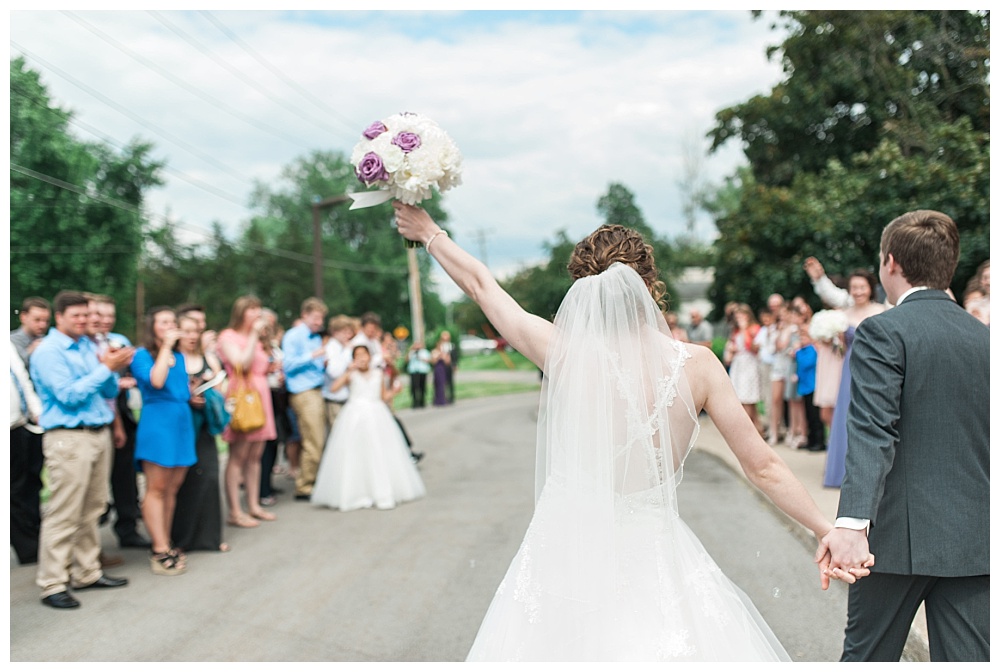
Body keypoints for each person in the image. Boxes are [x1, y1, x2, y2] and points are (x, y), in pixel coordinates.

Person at [393, 204, 868, 661]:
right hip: (655, 553)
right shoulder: (698, 365)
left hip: (567, 556)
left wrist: (430, 232)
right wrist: (828, 529)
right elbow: (762, 465)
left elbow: (481, 286)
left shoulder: (562, 351)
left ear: (585, 290)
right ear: (650, 284)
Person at [819, 210, 989, 662]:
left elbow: (874, 429)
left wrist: (852, 524)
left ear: (890, 263)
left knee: (867, 660)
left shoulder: (882, 330)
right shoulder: (986, 339)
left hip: (893, 540)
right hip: (975, 538)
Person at [30, 291, 135, 609]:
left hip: (98, 433)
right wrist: (106, 369)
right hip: (68, 437)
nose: (84, 321)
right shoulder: (48, 351)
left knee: (93, 507)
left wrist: (111, 365)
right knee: (64, 512)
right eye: (76, 316)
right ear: (59, 317)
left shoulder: (89, 346)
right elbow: (68, 395)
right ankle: (53, 583)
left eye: (86, 316)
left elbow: (107, 389)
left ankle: (87, 572)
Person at [311, 345, 426, 511]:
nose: (362, 358)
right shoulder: (351, 375)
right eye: (357, 356)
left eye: (364, 355)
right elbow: (333, 388)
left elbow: (383, 396)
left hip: (377, 414)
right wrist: (348, 372)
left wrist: (394, 391)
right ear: (353, 359)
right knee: (355, 452)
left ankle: (382, 490)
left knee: (379, 451)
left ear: (370, 357)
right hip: (354, 415)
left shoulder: (378, 374)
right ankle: (355, 492)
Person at [804, 260, 886, 488]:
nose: (858, 291)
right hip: (849, 367)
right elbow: (839, 346)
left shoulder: (882, 312)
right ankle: (841, 472)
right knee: (844, 417)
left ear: (871, 288)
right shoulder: (842, 314)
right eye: (854, 287)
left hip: (874, 368)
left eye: (862, 287)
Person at [131, 307, 198, 575]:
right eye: (164, 322)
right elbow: (156, 381)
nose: (171, 326)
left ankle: (166, 540)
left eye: (173, 322)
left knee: (172, 488)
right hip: (158, 424)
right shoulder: (141, 355)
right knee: (156, 488)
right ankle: (158, 549)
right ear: (152, 327)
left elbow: (178, 388)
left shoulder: (180, 357)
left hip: (181, 422)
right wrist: (166, 347)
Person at [91, 294, 150, 550]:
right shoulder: (84, 345)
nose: (105, 321)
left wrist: (127, 381)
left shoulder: (120, 341)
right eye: (100, 315)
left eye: (110, 316)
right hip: (99, 414)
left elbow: (134, 374)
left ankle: (128, 528)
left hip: (121, 412)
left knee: (125, 475)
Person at [171, 313, 229, 553]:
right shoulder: (173, 360)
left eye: (195, 331)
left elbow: (222, 388)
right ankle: (181, 539)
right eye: (187, 331)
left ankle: (210, 537)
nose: (192, 336)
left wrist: (209, 392)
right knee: (183, 481)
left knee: (209, 477)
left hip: (204, 425)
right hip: (181, 425)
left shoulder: (208, 358)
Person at [217, 295, 278, 527]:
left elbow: (259, 365)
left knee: (255, 457)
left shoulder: (261, 339)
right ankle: (235, 510)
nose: (257, 314)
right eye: (252, 309)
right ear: (241, 312)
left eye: (258, 309)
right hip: (243, 397)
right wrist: (253, 336)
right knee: (238, 457)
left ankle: (253, 505)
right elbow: (241, 363)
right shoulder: (228, 336)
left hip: (261, 396)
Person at [282, 297, 329, 501]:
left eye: (321, 318)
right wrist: (313, 355)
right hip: (304, 392)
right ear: (305, 315)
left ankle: (312, 479)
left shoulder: (315, 337)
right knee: (313, 440)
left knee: (317, 438)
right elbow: (288, 365)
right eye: (316, 317)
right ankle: (305, 485)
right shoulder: (293, 336)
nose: (319, 322)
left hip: (318, 389)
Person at [10, 346, 44, 565]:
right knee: (12, 490)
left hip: (22, 424)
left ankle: (34, 537)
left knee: (30, 483)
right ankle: (26, 546)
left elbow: (22, 379)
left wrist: (36, 411)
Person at [381, 331, 422, 463]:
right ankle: (406, 454)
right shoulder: (379, 357)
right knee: (394, 426)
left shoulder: (389, 360)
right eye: (388, 341)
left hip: (387, 398)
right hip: (382, 399)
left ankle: (407, 453)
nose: (390, 344)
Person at [723, 304, 762, 434]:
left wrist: (745, 329)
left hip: (749, 364)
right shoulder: (735, 331)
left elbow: (752, 348)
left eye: (742, 315)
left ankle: (748, 430)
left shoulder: (754, 329)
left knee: (748, 397)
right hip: (738, 365)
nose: (739, 318)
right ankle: (757, 428)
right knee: (740, 396)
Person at [793, 324, 825, 452]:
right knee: (808, 415)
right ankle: (811, 439)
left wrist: (797, 352)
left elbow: (807, 363)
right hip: (804, 386)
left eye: (805, 336)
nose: (802, 339)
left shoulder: (811, 350)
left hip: (812, 386)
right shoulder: (802, 350)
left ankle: (819, 441)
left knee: (815, 415)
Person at [322, 314, 355, 440]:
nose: (348, 336)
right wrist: (347, 354)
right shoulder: (332, 347)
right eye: (345, 332)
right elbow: (334, 372)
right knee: (338, 435)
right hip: (334, 399)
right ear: (335, 332)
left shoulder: (341, 347)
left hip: (344, 397)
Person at [11, 296, 52, 365]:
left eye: (46, 321)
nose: (43, 325)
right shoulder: (10, 342)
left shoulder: (48, 341)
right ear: (23, 317)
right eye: (37, 320)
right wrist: (30, 351)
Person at [405, 339, 432, 409]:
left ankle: (422, 401)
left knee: (422, 387)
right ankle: (415, 402)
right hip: (414, 371)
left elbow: (428, 360)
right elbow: (407, 360)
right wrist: (410, 351)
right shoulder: (412, 352)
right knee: (414, 387)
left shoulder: (424, 352)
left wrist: (420, 358)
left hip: (422, 371)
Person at [430, 334, 451, 407]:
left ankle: (443, 399)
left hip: (443, 369)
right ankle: (437, 400)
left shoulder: (444, 353)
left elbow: (447, 362)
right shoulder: (434, 352)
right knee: (436, 384)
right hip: (437, 369)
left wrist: (443, 356)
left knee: (443, 384)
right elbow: (433, 362)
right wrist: (438, 356)